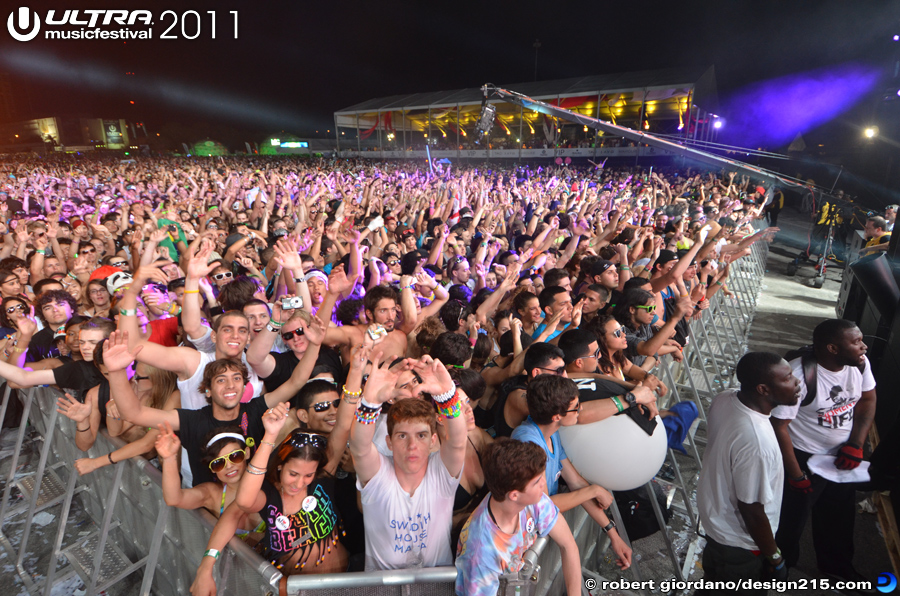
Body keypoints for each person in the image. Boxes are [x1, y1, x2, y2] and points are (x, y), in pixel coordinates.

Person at [191, 404, 347, 596]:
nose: (299, 483)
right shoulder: (269, 494)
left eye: (308, 475)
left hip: (344, 583)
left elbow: (343, 427)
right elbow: (240, 504)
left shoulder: (322, 479)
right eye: (293, 473)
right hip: (294, 591)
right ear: (281, 466)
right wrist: (206, 567)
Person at [771, 319, 876, 584]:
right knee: (790, 520)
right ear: (832, 348)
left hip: (840, 454)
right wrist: (795, 473)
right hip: (803, 455)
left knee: (839, 517)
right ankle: (779, 569)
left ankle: (837, 568)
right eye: (856, 342)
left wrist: (856, 444)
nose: (863, 346)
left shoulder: (859, 363)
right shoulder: (798, 376)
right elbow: (779, 425)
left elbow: (868, 399)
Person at [349, 353, 466, 570]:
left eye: (421, 435)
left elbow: (458, 442)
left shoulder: (440, 474)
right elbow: (360, 447)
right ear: (389, 442)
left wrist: (448, 396)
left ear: (433, 441)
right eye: (402, 435)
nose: (412, 445)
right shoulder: (378, 474)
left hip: (434, 589)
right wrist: (370, 403)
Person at [697, 352, 800, 592]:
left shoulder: (725, 398)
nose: (796, 383)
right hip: (740, 545)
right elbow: (752, 510)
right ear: (763, 389)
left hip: (717, 527)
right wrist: (774, 556)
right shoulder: (757, 442)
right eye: (787, 378)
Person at [510, 374, 632, 569]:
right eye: (575, 407)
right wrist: (594, 490)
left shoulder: (552, 433)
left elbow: (575, 482)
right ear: (557, 416)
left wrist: (612, 534)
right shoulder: (529, 443)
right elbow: (544, 506)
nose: (580, 409)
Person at [455, 438, 582, 596]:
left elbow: (569, 546)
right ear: (514, 495)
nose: (543, 483)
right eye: (536, 482)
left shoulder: (531, 499)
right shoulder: (482, 553)